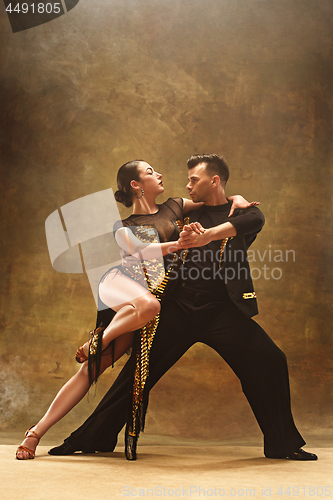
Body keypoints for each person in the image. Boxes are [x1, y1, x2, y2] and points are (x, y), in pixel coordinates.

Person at [49, 154, 317, 461]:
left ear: (214, 181)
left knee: (270, 360)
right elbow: (149, 242)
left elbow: (251, 221)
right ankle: (90, 437)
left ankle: (283, 444)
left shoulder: (243, 214)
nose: (187, 184)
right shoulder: (181, 214)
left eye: (194, 179)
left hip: (222, 311)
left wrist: (210, 233)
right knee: (137, 374)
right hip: (177, 307)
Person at [16, 159, 253, 460]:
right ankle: (97, 342)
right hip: (119, 288)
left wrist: (239, 200)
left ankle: (34, 433)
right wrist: (175, 246)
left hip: (143, 310)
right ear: (136, 185)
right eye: (151, 172)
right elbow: (143, 251)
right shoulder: (123, 227)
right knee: (149, 304)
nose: (160, 173)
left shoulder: (176, 206)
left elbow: (214, 197)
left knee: (92, 370)